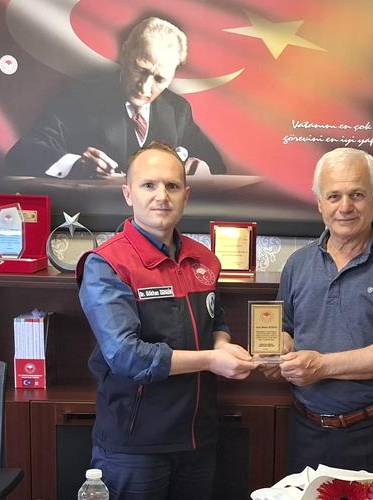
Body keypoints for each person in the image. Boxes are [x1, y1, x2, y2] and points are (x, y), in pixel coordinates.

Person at [76, 141, 255, 499]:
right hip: (135, 448)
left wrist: (222, 343)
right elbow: (126, 355)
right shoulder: (106, 264)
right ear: (128, 193)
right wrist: (211, 360)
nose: (162, 196)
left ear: (186, 195)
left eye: (172, 186)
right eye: (149, 185)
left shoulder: (204, 259)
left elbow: (216, 320)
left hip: (198, 439)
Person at [262, 147, 373, 475]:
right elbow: (285, 329)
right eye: (334, 196)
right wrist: (276, 351)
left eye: (357, 194)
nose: (345, 207)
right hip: (306, 431)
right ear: (319, 203)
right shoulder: (297, 264)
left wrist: (323, 366)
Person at [5, 17, 226, 179]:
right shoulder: (79, 98)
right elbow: (22, 153)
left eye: (159, 79)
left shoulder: (177, 109)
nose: (145, 86)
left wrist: (202, 168)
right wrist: (77, 164)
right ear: (125, 53)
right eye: (140, 69)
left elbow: (215, 165)